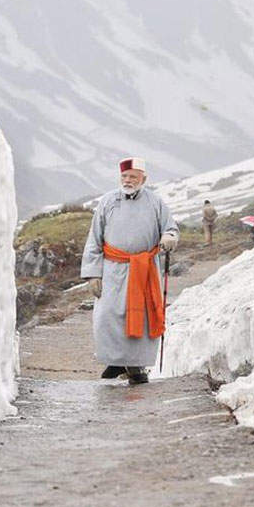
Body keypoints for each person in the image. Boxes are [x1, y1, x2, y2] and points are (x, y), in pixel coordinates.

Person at [81, 157, 179, 385]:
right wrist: (93, 274)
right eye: (124, 176)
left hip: (144, 269)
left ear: (143, 179)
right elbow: (94, 238)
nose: (128, 180)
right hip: (112, 268)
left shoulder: (156, 202)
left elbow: (171, 227)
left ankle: (135, 366)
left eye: (133, 177)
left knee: (141, 316)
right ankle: (115, 361)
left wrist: (169, 237)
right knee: (108, 315)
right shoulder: (107, 202)